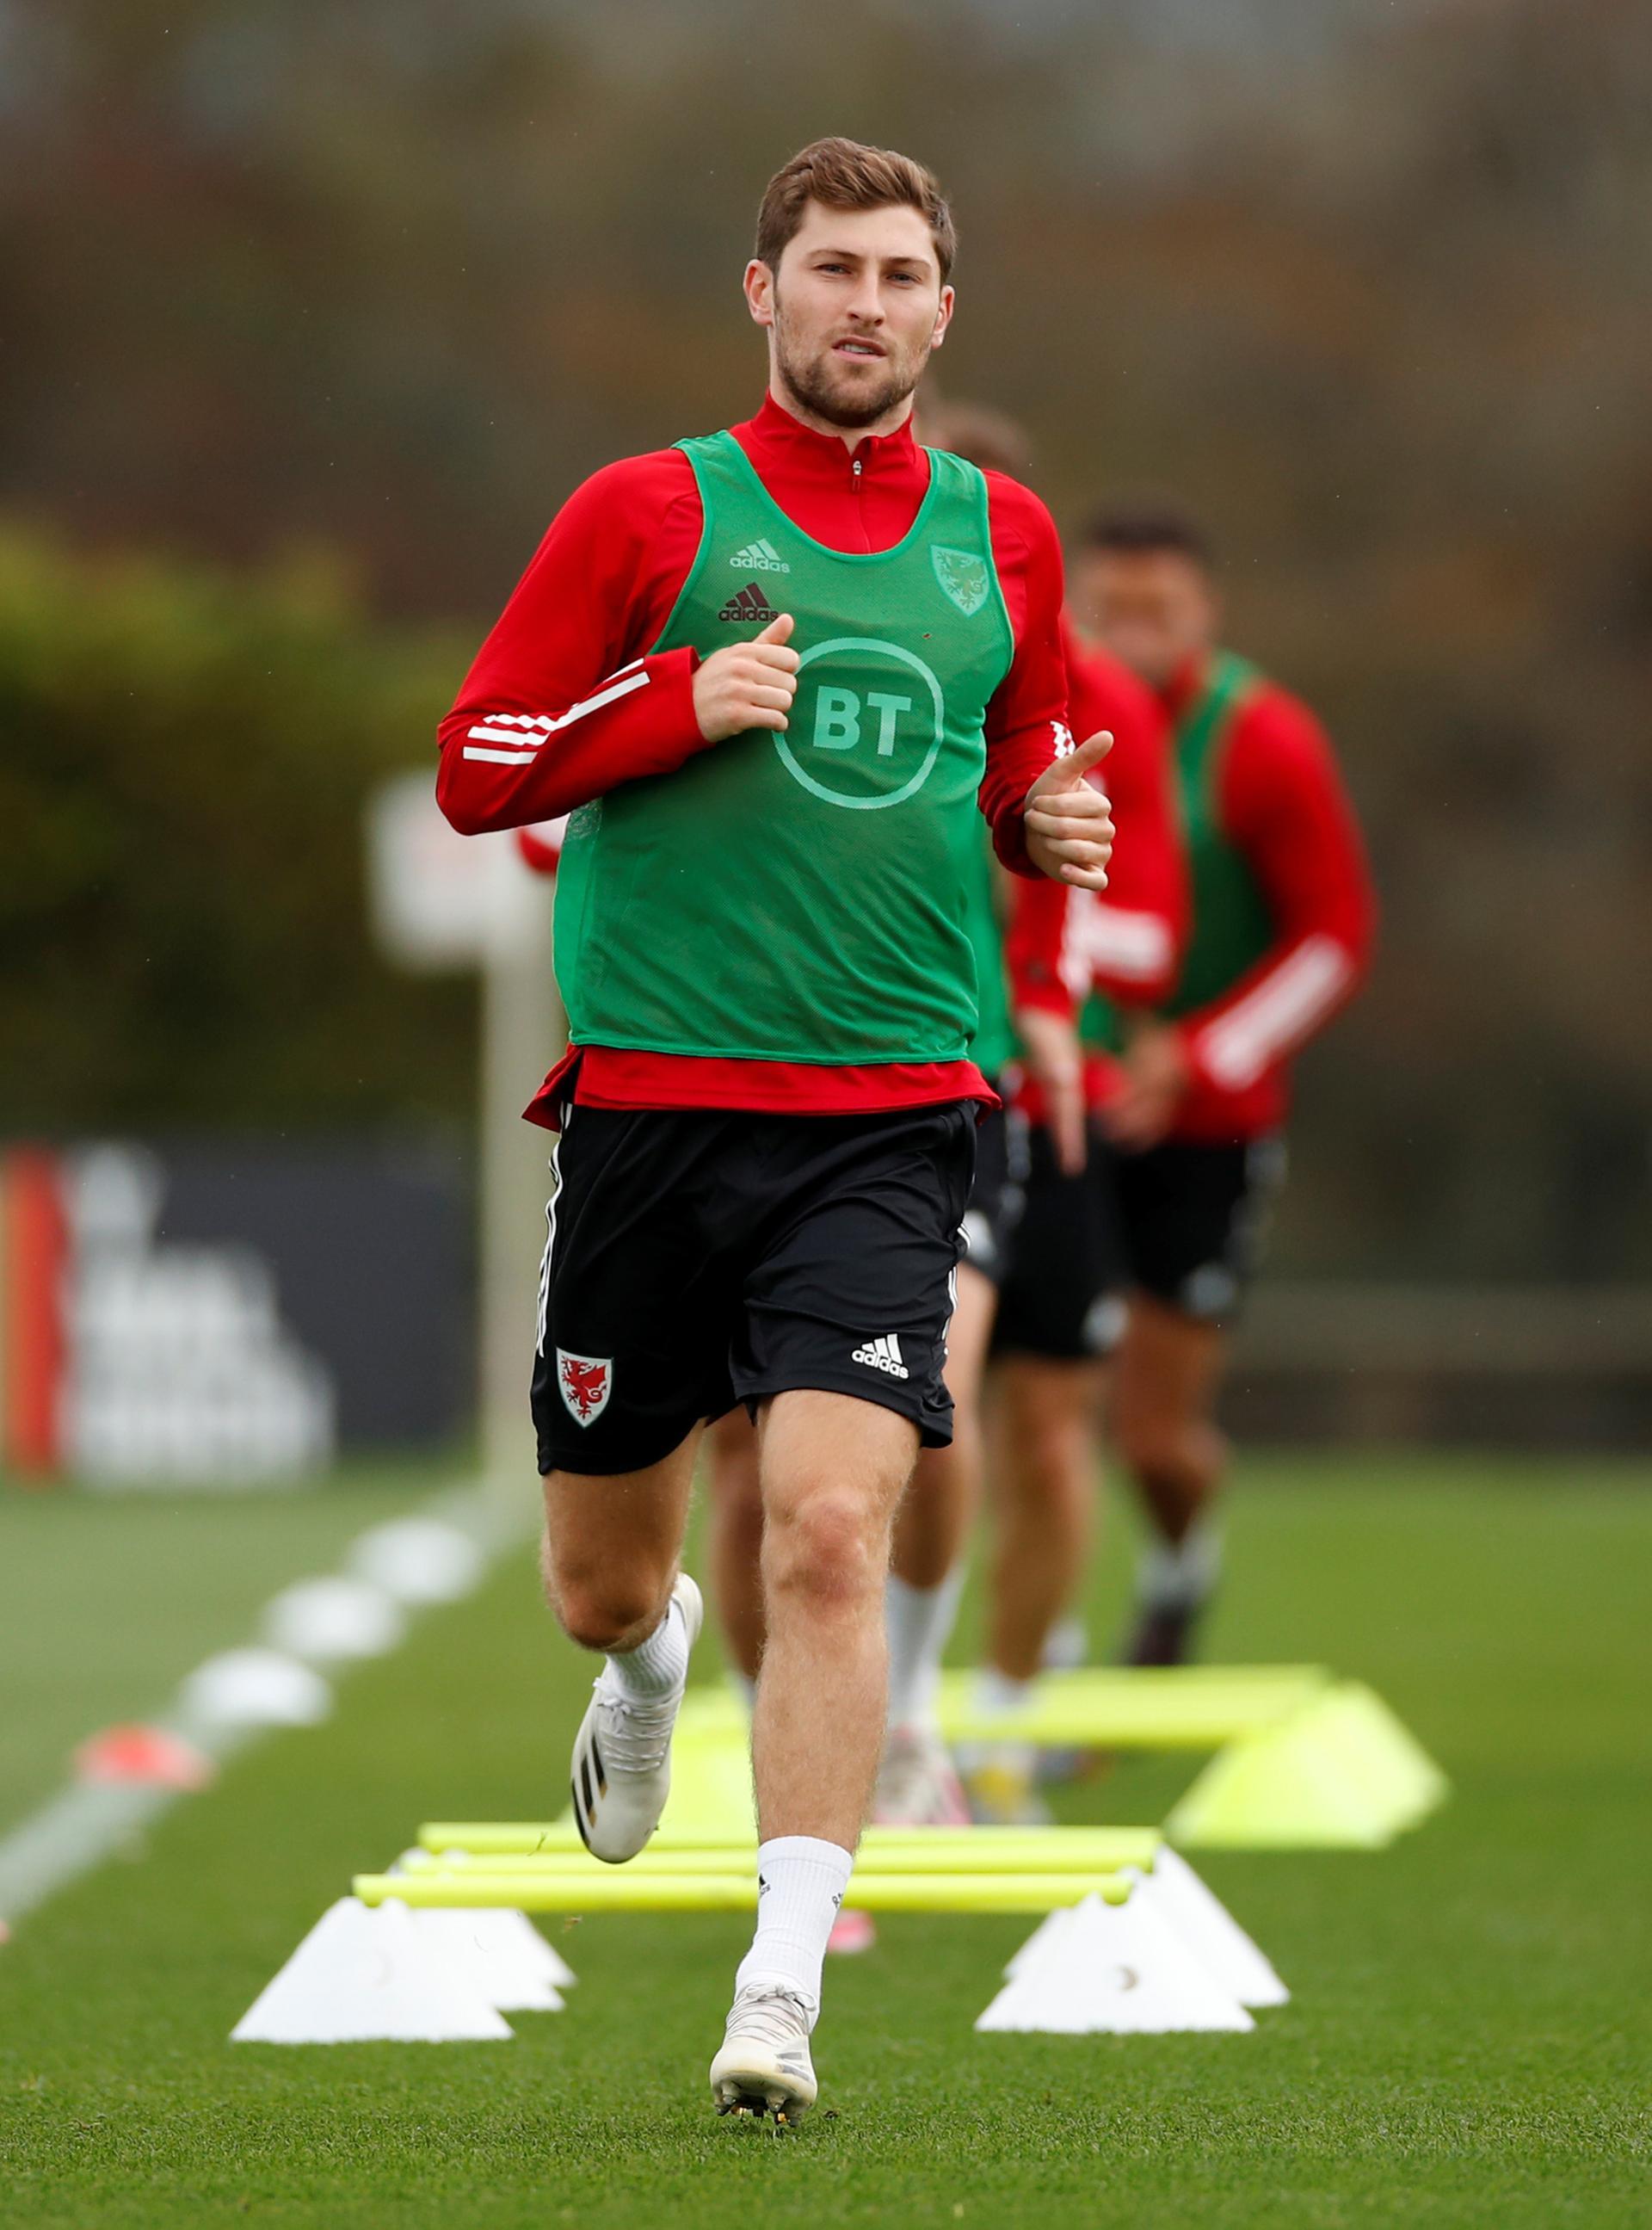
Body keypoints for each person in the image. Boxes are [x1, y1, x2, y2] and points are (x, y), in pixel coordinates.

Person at [435, 137, 1113, 2124]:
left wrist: (1042, 834)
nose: (867, 305)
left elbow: (1025, 764)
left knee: (830, 1532)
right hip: (651, 1110)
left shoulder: (1010, 535)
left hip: (892, 1117)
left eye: (903, 275)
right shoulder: (644, 508)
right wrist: (671, 704)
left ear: (944, 311)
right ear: (765, 291)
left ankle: (782, 1989)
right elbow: (480, 762)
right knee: (603, 1578)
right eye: (833, 269)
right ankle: (642, 1681)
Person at [1072, 502, 1377, 1664]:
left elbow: (1334, 937)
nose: (1135, 631)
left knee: (1151, 1431)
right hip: (1064, 1097)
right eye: (1111, 608)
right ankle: (1020, 1654)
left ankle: (1178, 1567)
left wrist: (1197, 1056)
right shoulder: (1042, 713)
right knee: (1029, 1403)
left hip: (1209, 1120)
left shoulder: (1263, 739)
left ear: (1205, 612)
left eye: (1161, 609)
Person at [961, 617, 1186, 1815]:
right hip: (887, 1098)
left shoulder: (1103, 701)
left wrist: (1036, 894)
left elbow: (1153, 932)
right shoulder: (844, 653)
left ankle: (1003, 1721)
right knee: (911, 1424)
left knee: (1051, 1428)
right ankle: (882, 1728)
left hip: (1052, 1107)